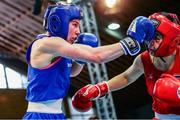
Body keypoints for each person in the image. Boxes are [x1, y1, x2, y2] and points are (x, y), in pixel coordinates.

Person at [22, 2, 155, 119]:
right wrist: (129, 42)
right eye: (74, 25)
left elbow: (71, 72)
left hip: (56, 113)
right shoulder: (48, 43)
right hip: (39, 115)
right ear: (58, 22)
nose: (78, 31)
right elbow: (97, 56)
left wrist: (80, 60)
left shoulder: (58, 49)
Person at [72, 12, 180, 119]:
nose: (151, 42)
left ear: (172, 40)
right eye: (149, 35)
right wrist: (101, 88)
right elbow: (126, 77)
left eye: (156, 37)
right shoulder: (144, 59)